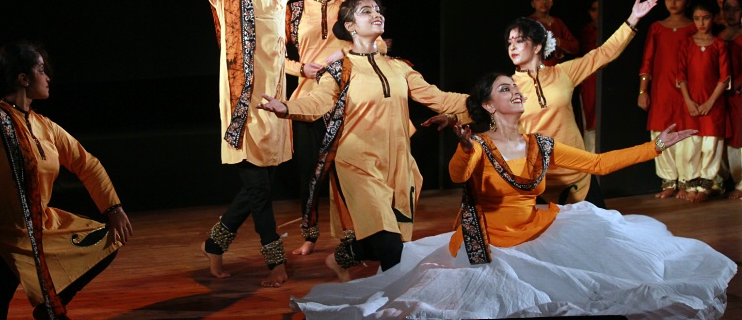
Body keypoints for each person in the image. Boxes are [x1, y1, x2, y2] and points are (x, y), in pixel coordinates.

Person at [289, 72, 735, 319]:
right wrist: (464, 149)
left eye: (515, 87)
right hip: (490, 239)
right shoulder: (478, 145)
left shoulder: (541, 144)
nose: (515, 91)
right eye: (505, 89)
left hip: (537, 227)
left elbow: (597, 164)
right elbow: (458, 174)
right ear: (487, 105)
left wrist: (654, 147)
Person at [175, 0, 365, 287]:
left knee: (253, 190)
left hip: (277, 107)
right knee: (259, 192)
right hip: (242, 107)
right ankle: (275, 261)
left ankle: (214, 246)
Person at [258, 0, 469, 282]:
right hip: (357, 163)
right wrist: (286, 108)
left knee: (390, 236)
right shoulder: (340, 70)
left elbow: (440, 98)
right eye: (366, 11)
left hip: (397, 163)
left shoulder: (400, 68)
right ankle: (397, 306)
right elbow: (318, 103)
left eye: (378, 9)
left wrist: (483, 101)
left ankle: (342, 258)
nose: (376, 14)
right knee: (391, 246)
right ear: (350, 26)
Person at [0, 42, 132, 320]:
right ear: (23, 79)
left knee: (104, 241)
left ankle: (49, 304)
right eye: (41, 70)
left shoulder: (47, 127)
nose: (48, 77)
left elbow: (86, 163)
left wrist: (113, 208)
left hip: (38, 232)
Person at [507, 0, 659, 206]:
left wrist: (633, 19)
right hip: (539, 182)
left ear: (538, 46)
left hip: (578, 174)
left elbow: (602, 54)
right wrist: (450, 117)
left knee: (597, 236)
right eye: (509, 42)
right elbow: (474, 108)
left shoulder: (563, 73)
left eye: (520, 40)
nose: (512, 46)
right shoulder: (507, 87)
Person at [284, 0, 387, 255]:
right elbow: (275, 56)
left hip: (348, 97)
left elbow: (379, 44)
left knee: (349, 169)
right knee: (309, 173)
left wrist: (341, 55)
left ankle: (354, 233)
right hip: (307, 98)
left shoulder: (351, 7)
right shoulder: (296, 10)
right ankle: (309, 234)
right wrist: (301, 69)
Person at [639, 0, 697, 198]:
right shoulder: (657, 27)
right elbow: (647, 60)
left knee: (686, 130)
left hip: (685, 88)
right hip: (662, 88)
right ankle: (668, 180)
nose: (673, 2)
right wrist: (643, 91)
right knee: (661, 129)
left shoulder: (693, 28)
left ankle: (687, 180)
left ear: (687, 1)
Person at [676, 0, 732, 202]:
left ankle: (705, 186)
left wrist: (710, 102)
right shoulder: (686, 44)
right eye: (697, 19)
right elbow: (681, 76)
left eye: (705, 18)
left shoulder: (719, 45)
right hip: (691, 102)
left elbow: (724, 77)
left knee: (710, 145)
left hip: (713, 103)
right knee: (692, 145)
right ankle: (691, 184)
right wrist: (689, 101)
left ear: (712, 19)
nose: (701, 23)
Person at [719, 0, 742, 199]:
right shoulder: (718, 37)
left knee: (739, 137)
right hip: (721, 96)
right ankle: (724, 181)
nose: (731, 14)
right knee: (723, 136)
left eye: (736, 9)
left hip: (738, 95)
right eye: (728, 9)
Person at [527, 0, 579, 66]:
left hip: (558, 72)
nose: (543, 1)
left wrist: (558, 42)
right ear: (532, 3)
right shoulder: (528, 23)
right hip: (537, 73)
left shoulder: (558, 22)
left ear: (552, 1)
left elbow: (575, 47)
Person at [577, 0, 599, 152]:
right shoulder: (587, 31)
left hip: (608, 79)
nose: (597, 13)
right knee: (591, 123)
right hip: (590, 79)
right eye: (593, 9)